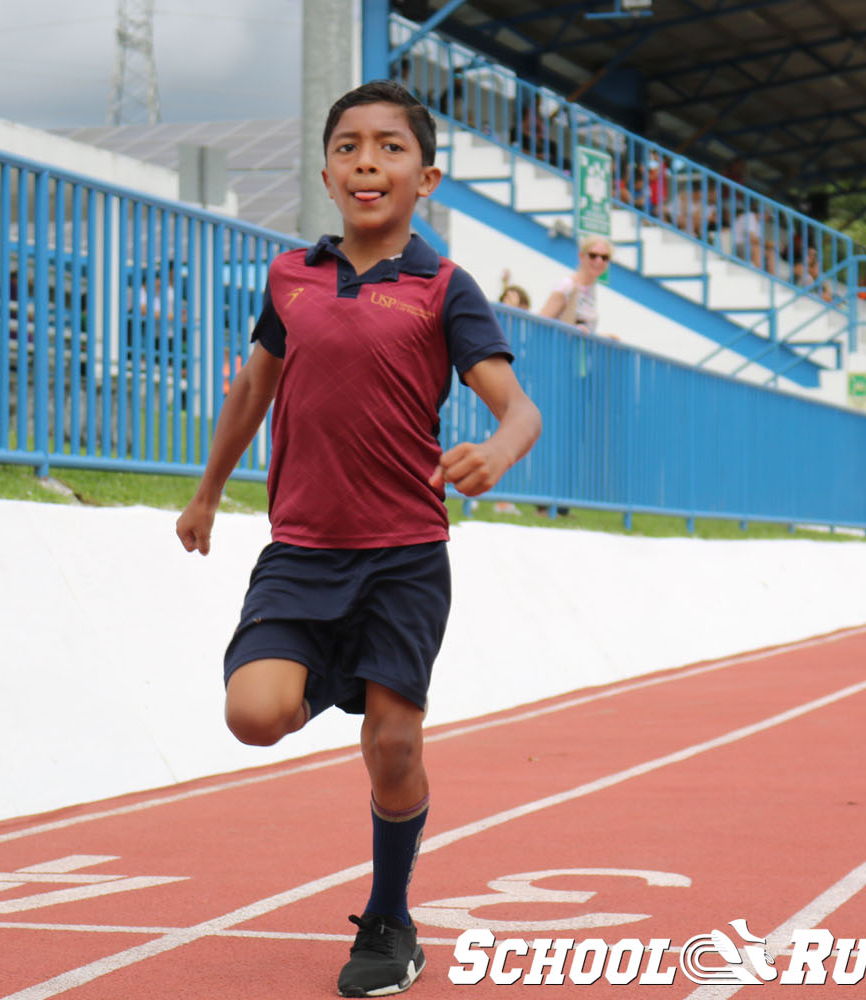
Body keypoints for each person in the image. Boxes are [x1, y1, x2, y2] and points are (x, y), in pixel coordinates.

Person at [174, 80, 541, 999]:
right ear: (328, 170)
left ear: (427, 176)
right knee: (254, 715)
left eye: (389, 147)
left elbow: (518, 407)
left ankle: (389, 918)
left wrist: (496, 450)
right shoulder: (289, 278)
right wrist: (208, 494)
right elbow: (252, 391)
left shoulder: (443, 287)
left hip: (405, 556)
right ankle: (335, 681)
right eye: (348, 146)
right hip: (301, 551)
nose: (367, 161)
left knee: (394, 750)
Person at [538, 234, 610, 334]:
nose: (599, 261)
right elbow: (540, 324)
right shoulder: (566, 286)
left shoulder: (591, 290)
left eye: (605, 257)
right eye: (593, 255)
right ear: (581, 256)